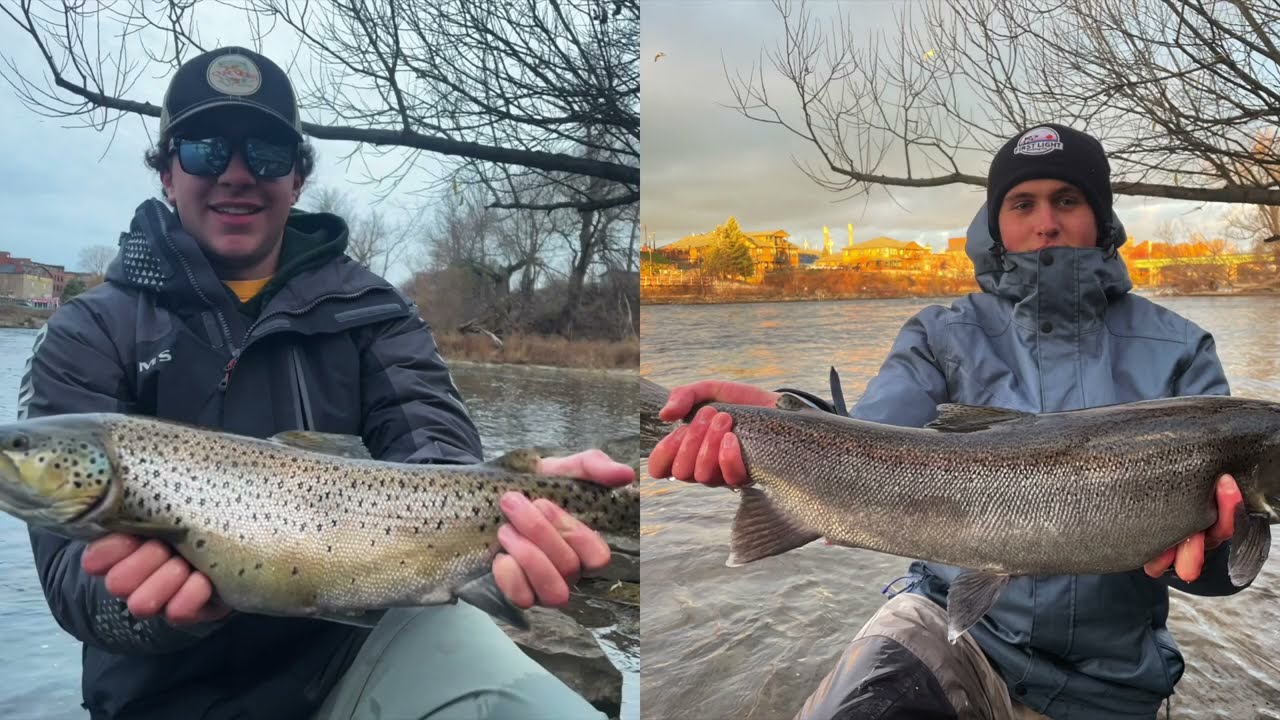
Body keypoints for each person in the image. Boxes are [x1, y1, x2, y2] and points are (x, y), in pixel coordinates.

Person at [21, 46, 631, 720]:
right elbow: (67, 581)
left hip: (362, 654)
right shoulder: (89, 330)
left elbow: (436, 447)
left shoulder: (374, 311)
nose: (236, 174)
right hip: (158, 696)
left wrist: (523, 509)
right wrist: (150, 611)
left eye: (267, 153)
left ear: (298, 180)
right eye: (203, 150)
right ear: (167, 173)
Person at [650, 124, 1248, 720]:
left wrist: (1219, 548)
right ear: (995, 222)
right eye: (1023, 203)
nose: (1046, 222)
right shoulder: (941, 334)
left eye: (1067, 200)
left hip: (1115, 683)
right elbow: (869, 438)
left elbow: (1216, 572)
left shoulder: (1182, 349)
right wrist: (783, 423)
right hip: (947, 632)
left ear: (1101, 216)